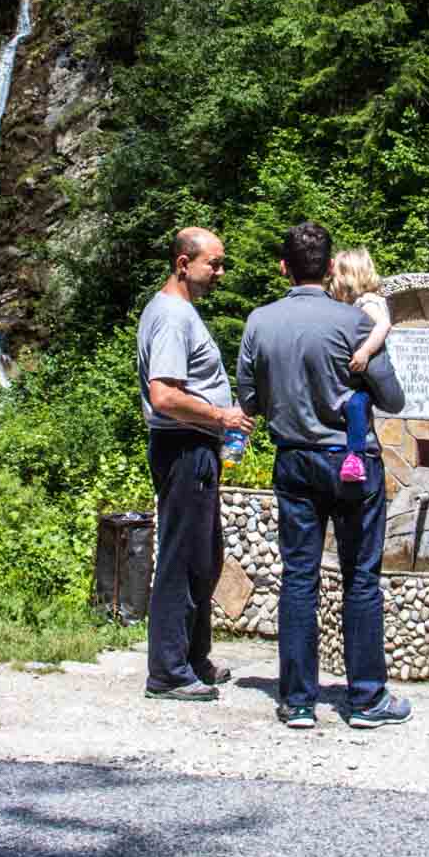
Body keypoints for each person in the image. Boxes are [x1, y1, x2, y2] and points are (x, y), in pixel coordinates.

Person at [236, 221, 408, 730]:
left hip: (293, 459)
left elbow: (250, 400)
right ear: (331, 267)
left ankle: (297, 702)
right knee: (360, 578)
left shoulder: (259, 323)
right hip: (352, 463)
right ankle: (366, 700)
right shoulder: (355, 323)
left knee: (299, 578)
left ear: (283, 268)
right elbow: (393, 398)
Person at [136, 227, 254, 702]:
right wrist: (221, 415)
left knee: (203, 558)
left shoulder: (180, 312)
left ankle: (193, 656)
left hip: (196, 449)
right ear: (184, 264)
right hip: (183, 447)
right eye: (214, 264)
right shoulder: (170, 316)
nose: (220, 273)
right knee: (182, 558)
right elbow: (164, 396)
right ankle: (166, 672)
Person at [328, 247, 392, 489]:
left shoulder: (368, 302)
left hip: (369, 373)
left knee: (355, 406)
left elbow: (384, 325)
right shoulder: (358, 302)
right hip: (363, 374)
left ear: (348, 276)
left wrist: (365, 352)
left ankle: (355, 458)